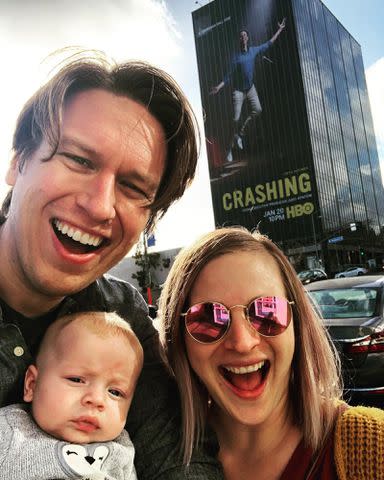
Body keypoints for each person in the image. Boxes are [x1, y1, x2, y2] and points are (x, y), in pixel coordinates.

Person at [0, 51, 223, 479]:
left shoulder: (123, 316)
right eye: (79, 160)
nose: (100, 206)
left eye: (132, 186)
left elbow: (180, 458)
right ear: (17, 161)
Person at [158, 227, 384, 479]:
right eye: (208, 318)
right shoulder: (152, 459)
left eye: (267, 312)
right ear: (179, 339)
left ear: (297, 323)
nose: (242, 342)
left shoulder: (374, 447)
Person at [0, 311, 143, 479]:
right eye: (76, 380)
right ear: (31, 385)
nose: (96, 399)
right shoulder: (10, 431)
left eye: (115, 392)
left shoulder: (122, 449)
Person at [210, 19, 286, 164]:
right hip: (238, 91)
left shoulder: (254, 50)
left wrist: (280, 30)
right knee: (235, 119)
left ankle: (241, 134)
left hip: (250, 89)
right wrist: (218, 87)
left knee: (258, 110)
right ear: (239, 40)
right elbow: (228, 76)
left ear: (248, 38)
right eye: (241, 36)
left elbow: (269, 43)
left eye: (245, 35)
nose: (243, 37)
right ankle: (229, 149)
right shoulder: (236, 58)